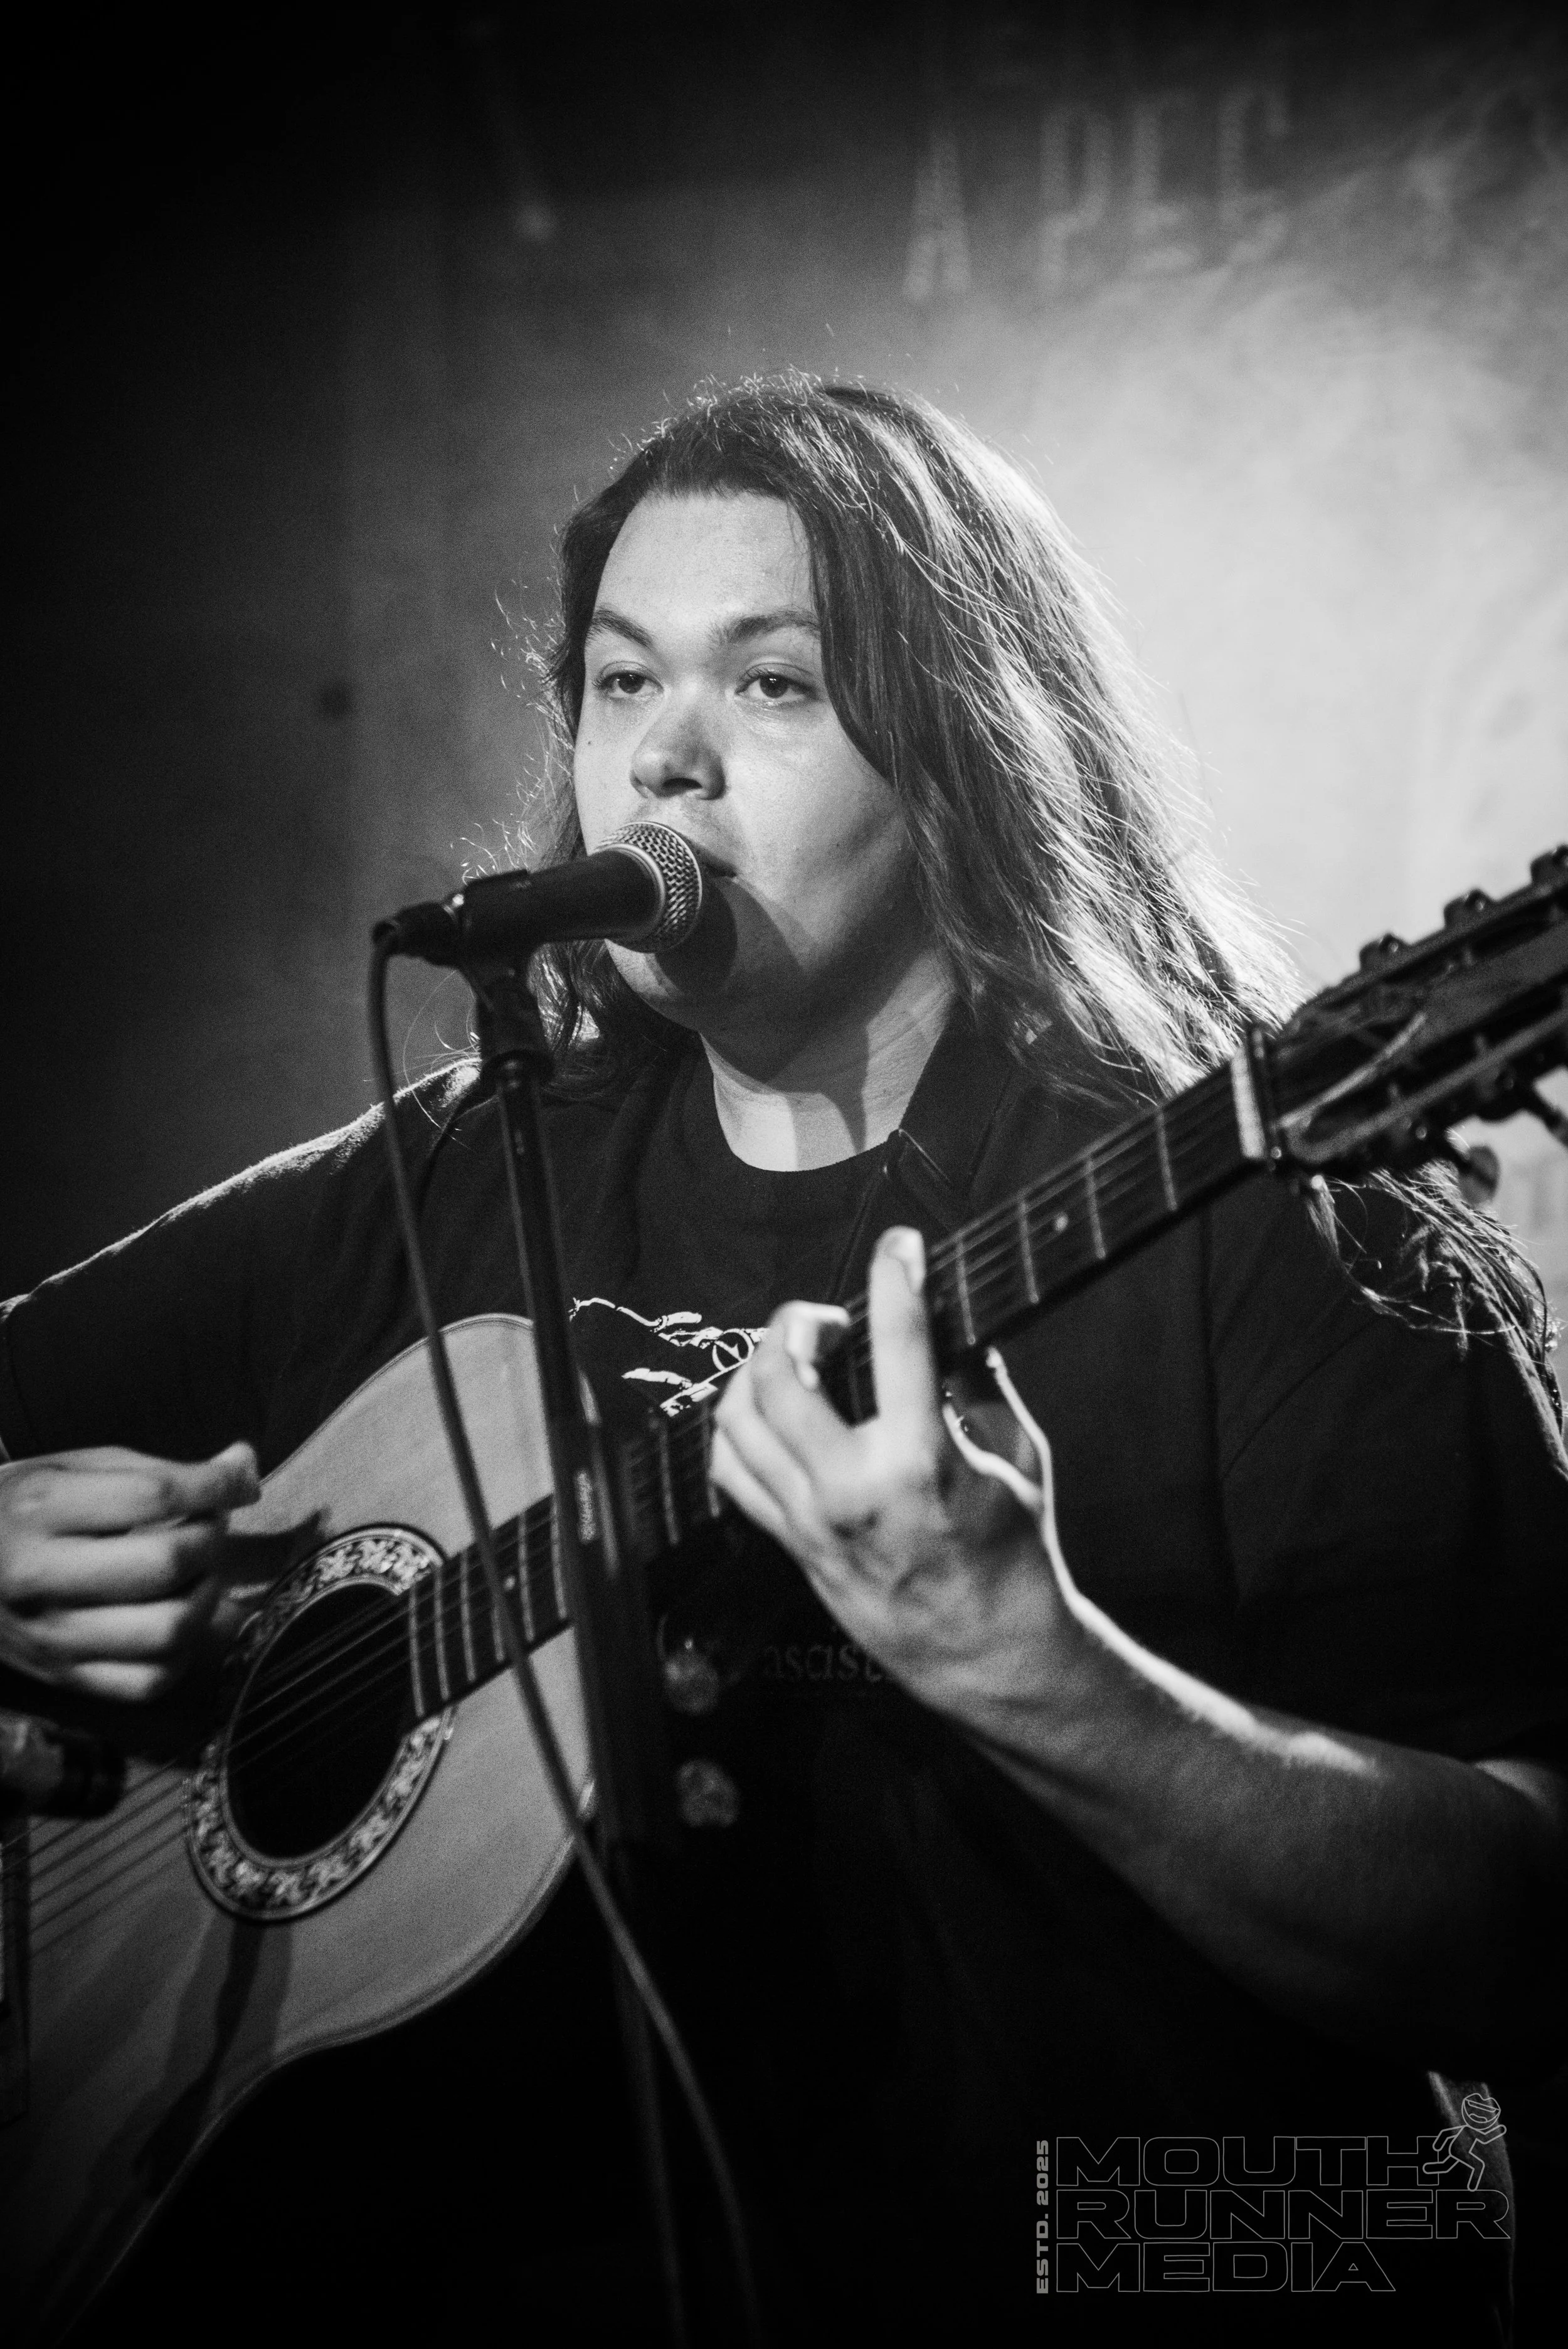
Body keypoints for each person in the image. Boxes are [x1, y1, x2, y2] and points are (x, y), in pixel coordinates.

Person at [1, 379, 1565, 2346]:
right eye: (618, 680)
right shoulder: (438, 1186)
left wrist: (1043, 1673)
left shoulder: (1266, 1208)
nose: (661, 761)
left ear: (974, 751)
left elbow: (1523, 1932)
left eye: (771, 688)